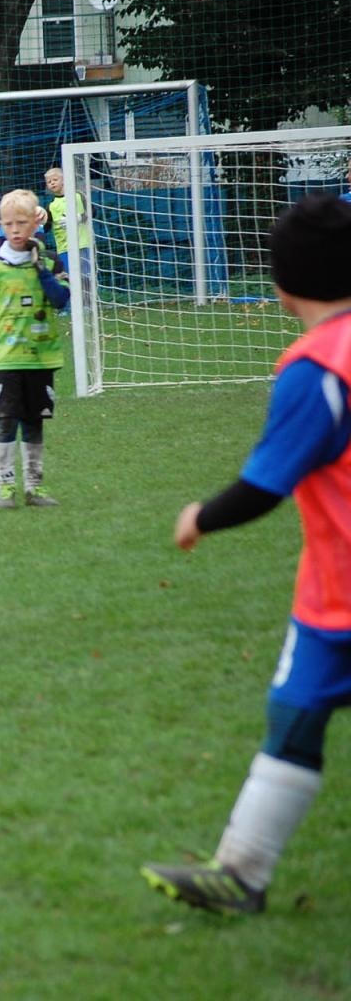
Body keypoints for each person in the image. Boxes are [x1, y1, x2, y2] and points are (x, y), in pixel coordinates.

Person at [141, 194, 351, 916]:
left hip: (339, 596)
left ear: (282, 285)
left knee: (293, 719)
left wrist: (199, 516)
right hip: (329, 596)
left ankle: (243, 873)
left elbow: (266, 485)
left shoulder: (317, 370)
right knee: (293, 714)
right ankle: (242, 874)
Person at [0, 189, 70, 509]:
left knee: (34, 421)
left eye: (21, 222)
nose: (15, 229)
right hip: (4, 356)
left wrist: (40, 269)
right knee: (6, 419)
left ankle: (35, 487)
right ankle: (5, 487)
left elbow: (60, 300)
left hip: (41, 356)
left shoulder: (50, 260)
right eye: (9, 223)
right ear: (1, 225)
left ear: (35, 223)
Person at [43, 167, 92, 281]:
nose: (52, 183)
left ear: (64, 180)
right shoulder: (51, 206)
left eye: (55, 179)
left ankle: (89, 299)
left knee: (86, 280)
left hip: (82, 245)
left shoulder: (78, 196)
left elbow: (93, 212)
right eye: (49, 182)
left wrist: (79, 218)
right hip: (64, 249)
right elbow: (46, 227)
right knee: (69, 280)